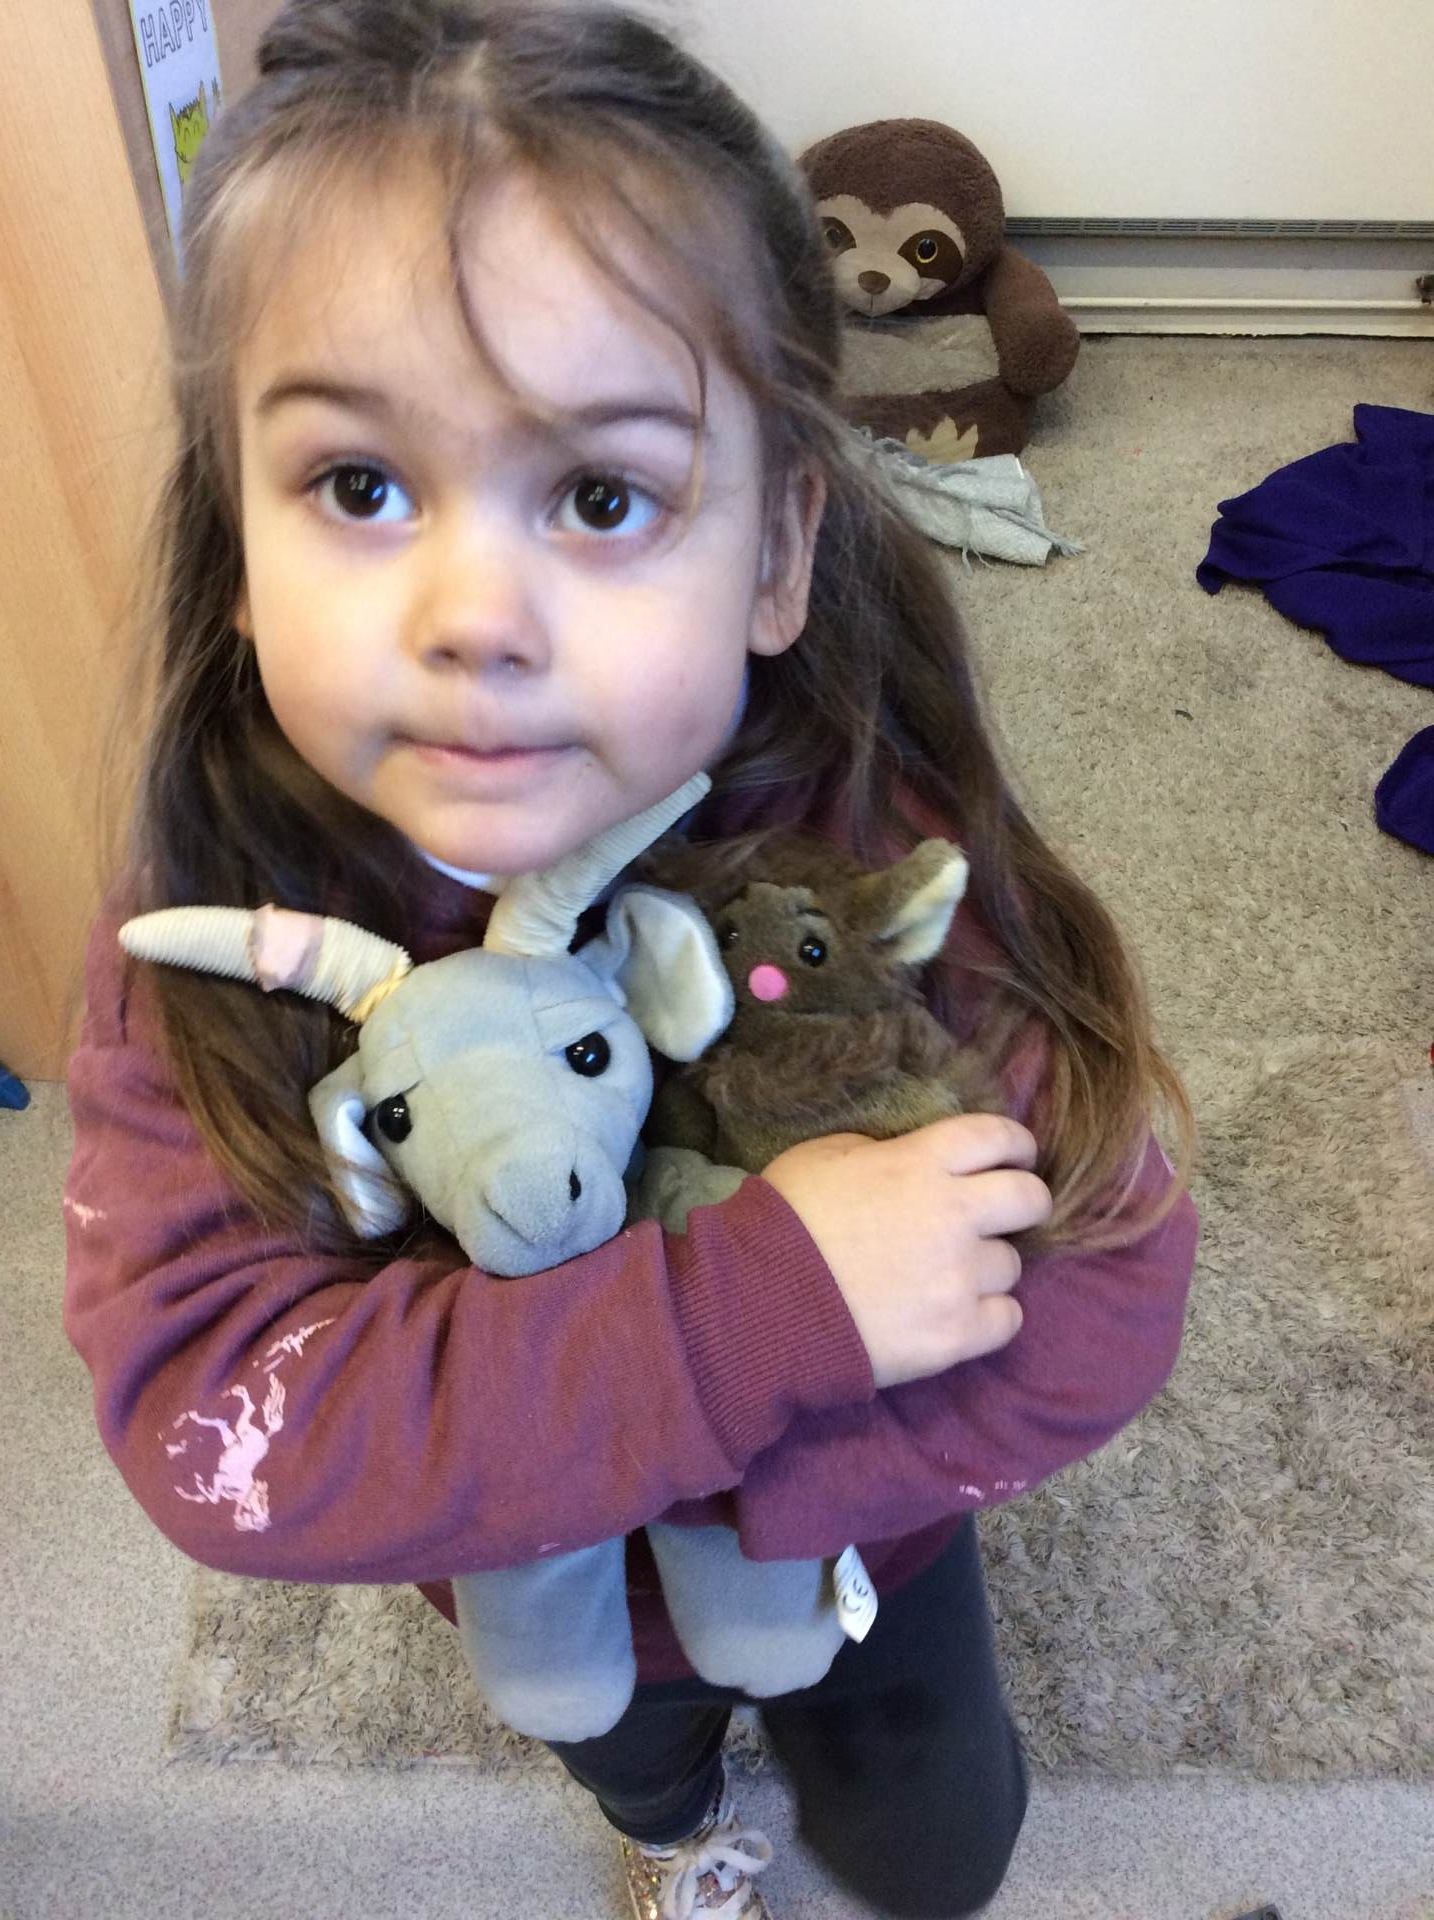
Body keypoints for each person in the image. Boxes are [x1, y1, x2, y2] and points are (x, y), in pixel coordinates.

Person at [63, 3, 1199, 1915]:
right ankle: (675, 1835)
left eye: (599, 497)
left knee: (936, 1846)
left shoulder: (870, 840)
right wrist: (754, 1324)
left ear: (775, 552)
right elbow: (214, 1432)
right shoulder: (212, 927)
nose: (472, 615)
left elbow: (1101, 1287)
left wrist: (758, 1476)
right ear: (236, 542)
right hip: (541, 1574)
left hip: (863, 1545)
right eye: (359, 485)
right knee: (634, 1757)